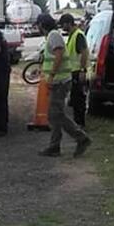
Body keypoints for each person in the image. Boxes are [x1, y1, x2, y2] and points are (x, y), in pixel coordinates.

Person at [36, 13, 92, 158]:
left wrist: (52, 74)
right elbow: (54, 56)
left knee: (56, 114)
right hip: (59, 80)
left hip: (60, 81)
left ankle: (80, 138)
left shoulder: (54, 35)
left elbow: (59, 55)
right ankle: (55, 146)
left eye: (38, 24)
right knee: (54, 114)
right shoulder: (52, 36)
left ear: (42, 25)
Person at [59, 14, 88, 128]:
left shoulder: (78, 35)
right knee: (75, 99)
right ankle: (77, 122)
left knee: (78, 99)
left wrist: (82, 70)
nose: (62, 27)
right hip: (73, 71)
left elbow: (84, 53)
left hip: (77, 72)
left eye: (63, 25)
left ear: (68, 23)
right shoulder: (73, 35)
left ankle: (80, 123)